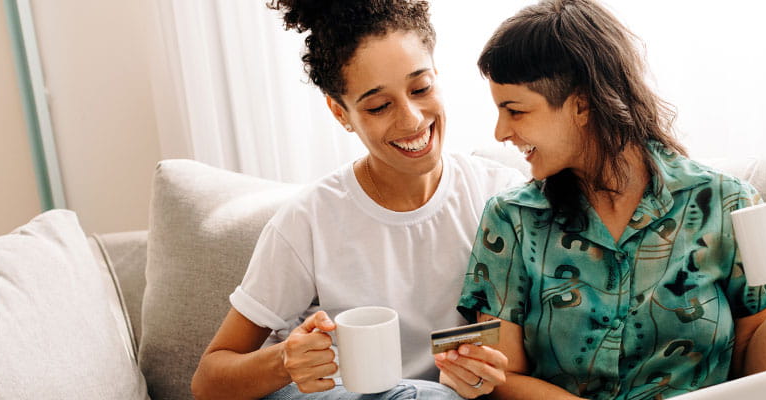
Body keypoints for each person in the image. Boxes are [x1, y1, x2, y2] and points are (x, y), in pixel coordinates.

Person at [455, 0, 766, 398]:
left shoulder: (726, 204)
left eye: (515, 111)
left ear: (582, 104)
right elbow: (502, 377)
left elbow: (760, 373)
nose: (500, 132)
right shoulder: (511, 220)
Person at [189, 1, 524, 399]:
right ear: (340, 112)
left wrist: (486, 374)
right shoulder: (309, 220)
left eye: (421, 88)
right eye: (379, 106)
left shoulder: (499, 198)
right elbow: (208, 381)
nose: (412, 119)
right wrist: (285, 361)